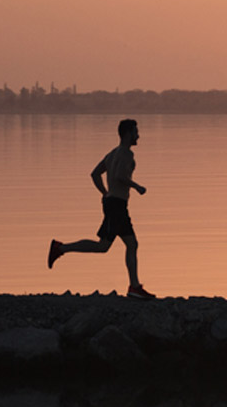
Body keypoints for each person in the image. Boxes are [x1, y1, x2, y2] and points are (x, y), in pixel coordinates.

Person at [48, 117, 154, 299]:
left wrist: (104, 192)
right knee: (107, 246)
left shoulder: (112, 154)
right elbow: (120, 176)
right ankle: (60, 248)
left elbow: (95, 174)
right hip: (117, 206)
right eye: (136, 132)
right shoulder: (127, 154)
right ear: (128, 134)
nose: (139, 136)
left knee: (126, 244)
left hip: (113, 203)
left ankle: (134, 286)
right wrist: (137, 187)